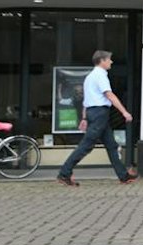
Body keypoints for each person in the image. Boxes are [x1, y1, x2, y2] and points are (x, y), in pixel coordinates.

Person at [56, 50, 137, 186]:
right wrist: (124, 112)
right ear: (102, 61)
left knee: (111, 145)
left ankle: (123, 176)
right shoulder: (100, 76)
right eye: (109, 59)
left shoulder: (90, 77)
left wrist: (84, 118)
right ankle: (64, 173)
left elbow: (86, 100)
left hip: (95, 113)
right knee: (86, 145)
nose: (111, 62)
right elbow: (109, 95)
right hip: (100, 113)